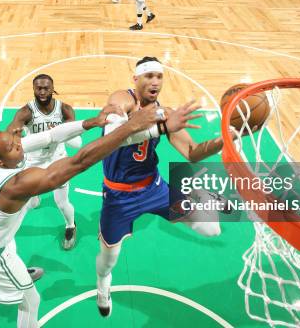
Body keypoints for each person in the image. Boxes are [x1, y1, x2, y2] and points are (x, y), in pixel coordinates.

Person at [0, 102, 198, 328]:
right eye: (13, 146)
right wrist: (133, 127)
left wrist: (92, 122)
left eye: (14, 139)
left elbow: (51, 136)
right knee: (30, 301)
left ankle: (18, 275)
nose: (19, 142)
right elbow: (80, 161)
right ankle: (17, 284)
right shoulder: (15, 185)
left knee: (9, 246)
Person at [94, 57, 252, 317]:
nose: (155, 82)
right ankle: (103, 285)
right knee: (108, 261)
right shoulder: (124, 99)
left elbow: (192, 152)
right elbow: (114, 131)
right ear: (136, 79)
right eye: (149, 76)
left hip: (153, 189)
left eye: (159, 76)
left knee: (211, 229)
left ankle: (201, 195)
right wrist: (152, 124)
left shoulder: (165, 113)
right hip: (118, 196)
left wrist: (226, 138)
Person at [7, 74, 79, 250]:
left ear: (52, 88)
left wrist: (62, 132)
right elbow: (10, 133)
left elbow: (76, 142)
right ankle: (35, 197)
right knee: (30, 202)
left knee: (62, 202)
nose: (42, 92)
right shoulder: (26, 112)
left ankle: (71, 226)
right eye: (38, 88)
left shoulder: (65, 110)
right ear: (33, 89)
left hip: (58, 160)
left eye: (46, 88)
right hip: (33, 161)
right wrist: (14, 135)